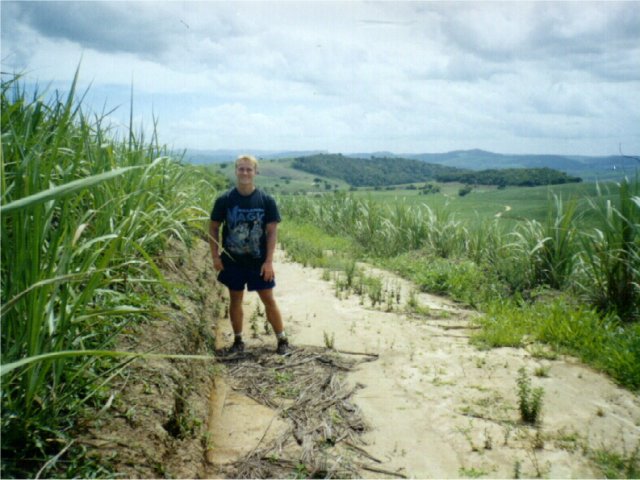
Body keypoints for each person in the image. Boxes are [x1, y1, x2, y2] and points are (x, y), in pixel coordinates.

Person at [209, 154, 290, 355]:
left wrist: (269, 262)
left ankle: (282, 340)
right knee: (235, 299)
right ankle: (238, 341)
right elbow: (213, 228)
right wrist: (215, 256)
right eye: (241, 169)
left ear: (255, 172)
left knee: (268, 299)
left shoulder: (266, 201)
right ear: (236, 171)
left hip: (258, 262)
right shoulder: (224, 200)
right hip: (233, 261)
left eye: (249, 169)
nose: (245, 172)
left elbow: (272, 233)